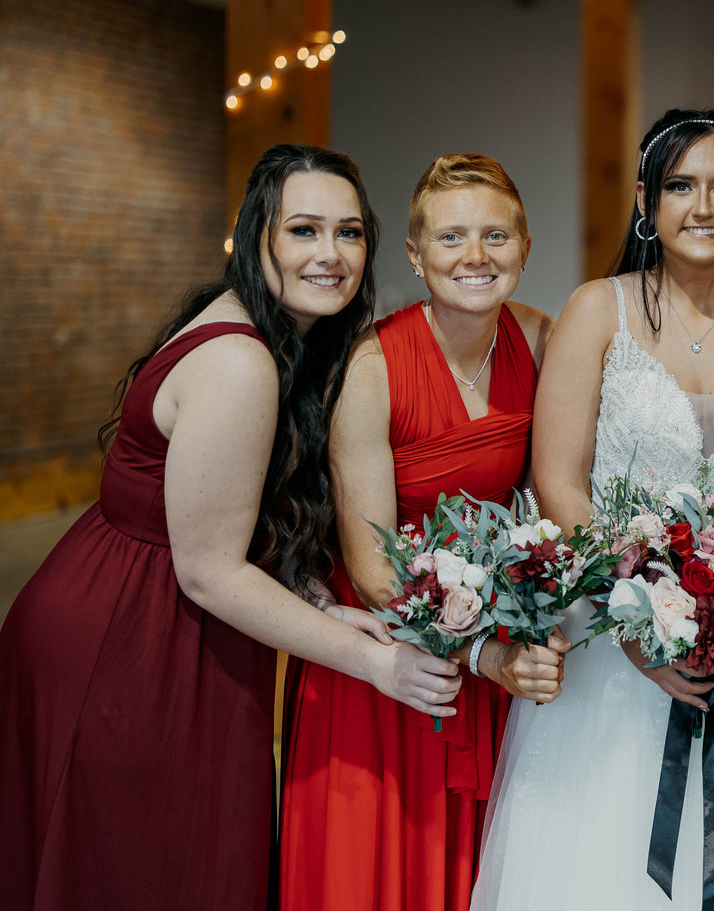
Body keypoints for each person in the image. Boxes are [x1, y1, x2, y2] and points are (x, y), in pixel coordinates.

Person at [0, 143, 463, 911]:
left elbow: (252, 522)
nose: (331, 254)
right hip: (134, 641)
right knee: (142, 864)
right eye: (303, 230)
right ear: (259, 238)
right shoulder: (239, 361)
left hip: (150, 609)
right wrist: (372, 661)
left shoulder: (270, 330)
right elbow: (210, 568)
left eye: (349, 233)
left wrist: (320, 599)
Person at [472, 109, 714, 910]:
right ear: (647, 202)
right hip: (613, 653)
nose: (702, 206)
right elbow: (559, 480)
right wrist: (636, 620)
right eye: (681, 185)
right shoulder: (598, 309)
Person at [279, 154, 559, 911]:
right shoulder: (371, 366)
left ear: (526, 247)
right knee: (378, 868)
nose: (476, 256)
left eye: (496, 236)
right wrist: (479, 650)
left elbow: (561, 493)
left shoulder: (541, 341)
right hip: (392, 648)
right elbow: (372, 567)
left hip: (495, 641)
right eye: (451, 238)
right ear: (414, 253)